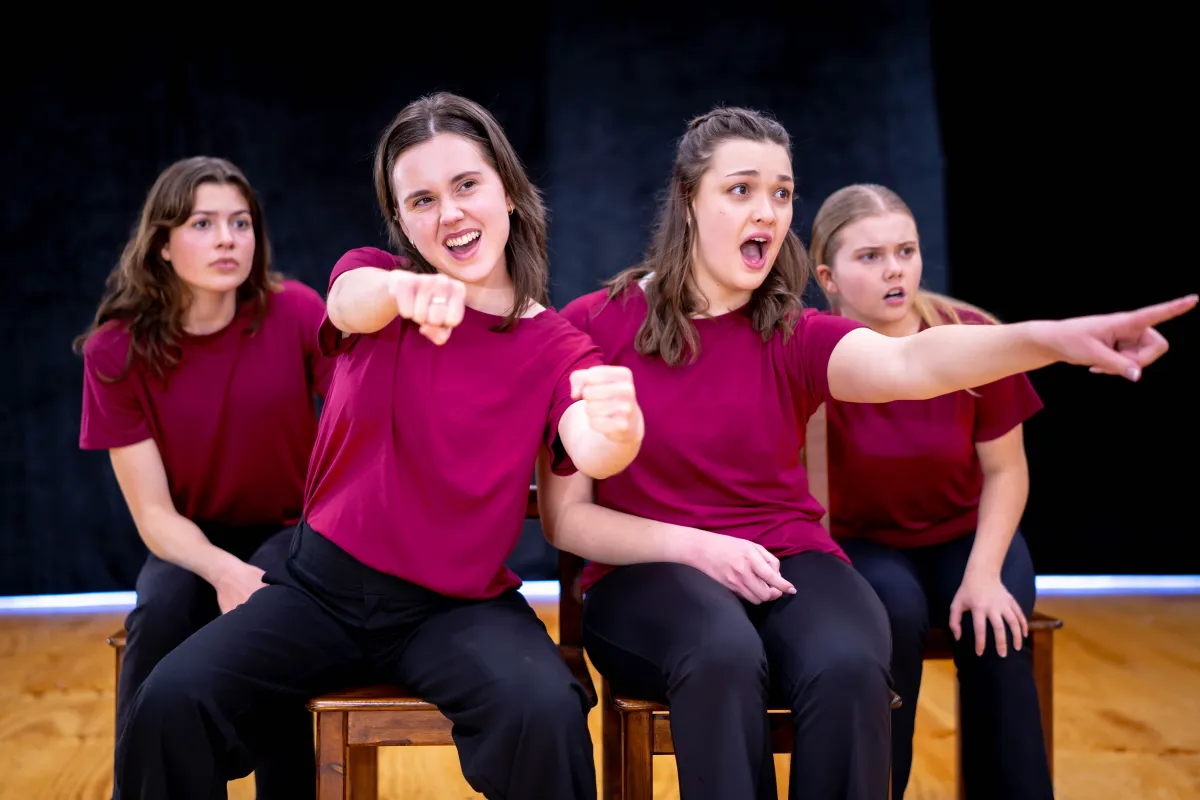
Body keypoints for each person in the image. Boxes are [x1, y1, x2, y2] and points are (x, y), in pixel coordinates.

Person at [537, 106, 1196, 800]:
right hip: (649, 576)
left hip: (789, 560)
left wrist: (1054, 338)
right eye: (741, 190)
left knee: (851, 660)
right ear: (689, 202)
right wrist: (700, 549)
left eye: (782, 193)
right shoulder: (592, 325)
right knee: (721, 653)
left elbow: (914, 361)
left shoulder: (793, 331)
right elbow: (566, 520)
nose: (767, 210)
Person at [112, 92, 644, 800]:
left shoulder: (557, 345)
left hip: (456, 608)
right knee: (172, 700)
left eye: (466, 186)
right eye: (421, 200)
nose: (449, 212)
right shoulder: (377, 283)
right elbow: (348, 301)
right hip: (320, 591)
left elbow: (587, 442)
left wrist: (618, 433)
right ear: (401, 222)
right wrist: (403, 290)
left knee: (544, 711)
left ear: (509, 194)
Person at [75, 155, 332, 800]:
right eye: (203, 223)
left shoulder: (297, 311)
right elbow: (154, 515)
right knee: (161, 609)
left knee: (277, 603)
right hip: (189, 533)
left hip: (292, 527)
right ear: (162, 244)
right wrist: (223, 570)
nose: (227, 239)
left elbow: (357, 426)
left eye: (240, 223)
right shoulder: (117, 349)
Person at [809, 183, 1047, 798]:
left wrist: (985, 573)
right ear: (827, 277)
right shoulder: (812, 352)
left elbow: (1006, 470)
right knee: (895, 617)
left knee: (996, 633)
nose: (895, 270)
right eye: (870, 257)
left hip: (968, 534)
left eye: (906, 251)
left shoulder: (972, 336)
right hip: (865, 544)